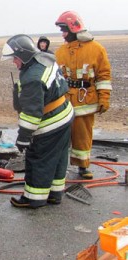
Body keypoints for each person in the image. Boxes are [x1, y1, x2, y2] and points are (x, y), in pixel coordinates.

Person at [1, 34, 74, 208]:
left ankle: (34, 198)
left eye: (15, 58)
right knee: (59, 156)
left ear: (24, 55)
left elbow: (32, 114)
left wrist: (24, 137)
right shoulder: (46, 58)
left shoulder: (32, 78)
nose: (14, 62)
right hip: (65, 114)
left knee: (39, 158)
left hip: (51, 122)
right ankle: (55, 194)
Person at [55, 11, 112, 179]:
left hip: (85, 99)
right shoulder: (60, 52)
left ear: (74, 28)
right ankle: (59, 167)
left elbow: (104, 77)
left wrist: (104, 98)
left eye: (64, 30)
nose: (63, 34)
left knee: (82, 136)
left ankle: (82, 166)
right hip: (65, 101)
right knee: (61, 136)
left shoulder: (96, 49)